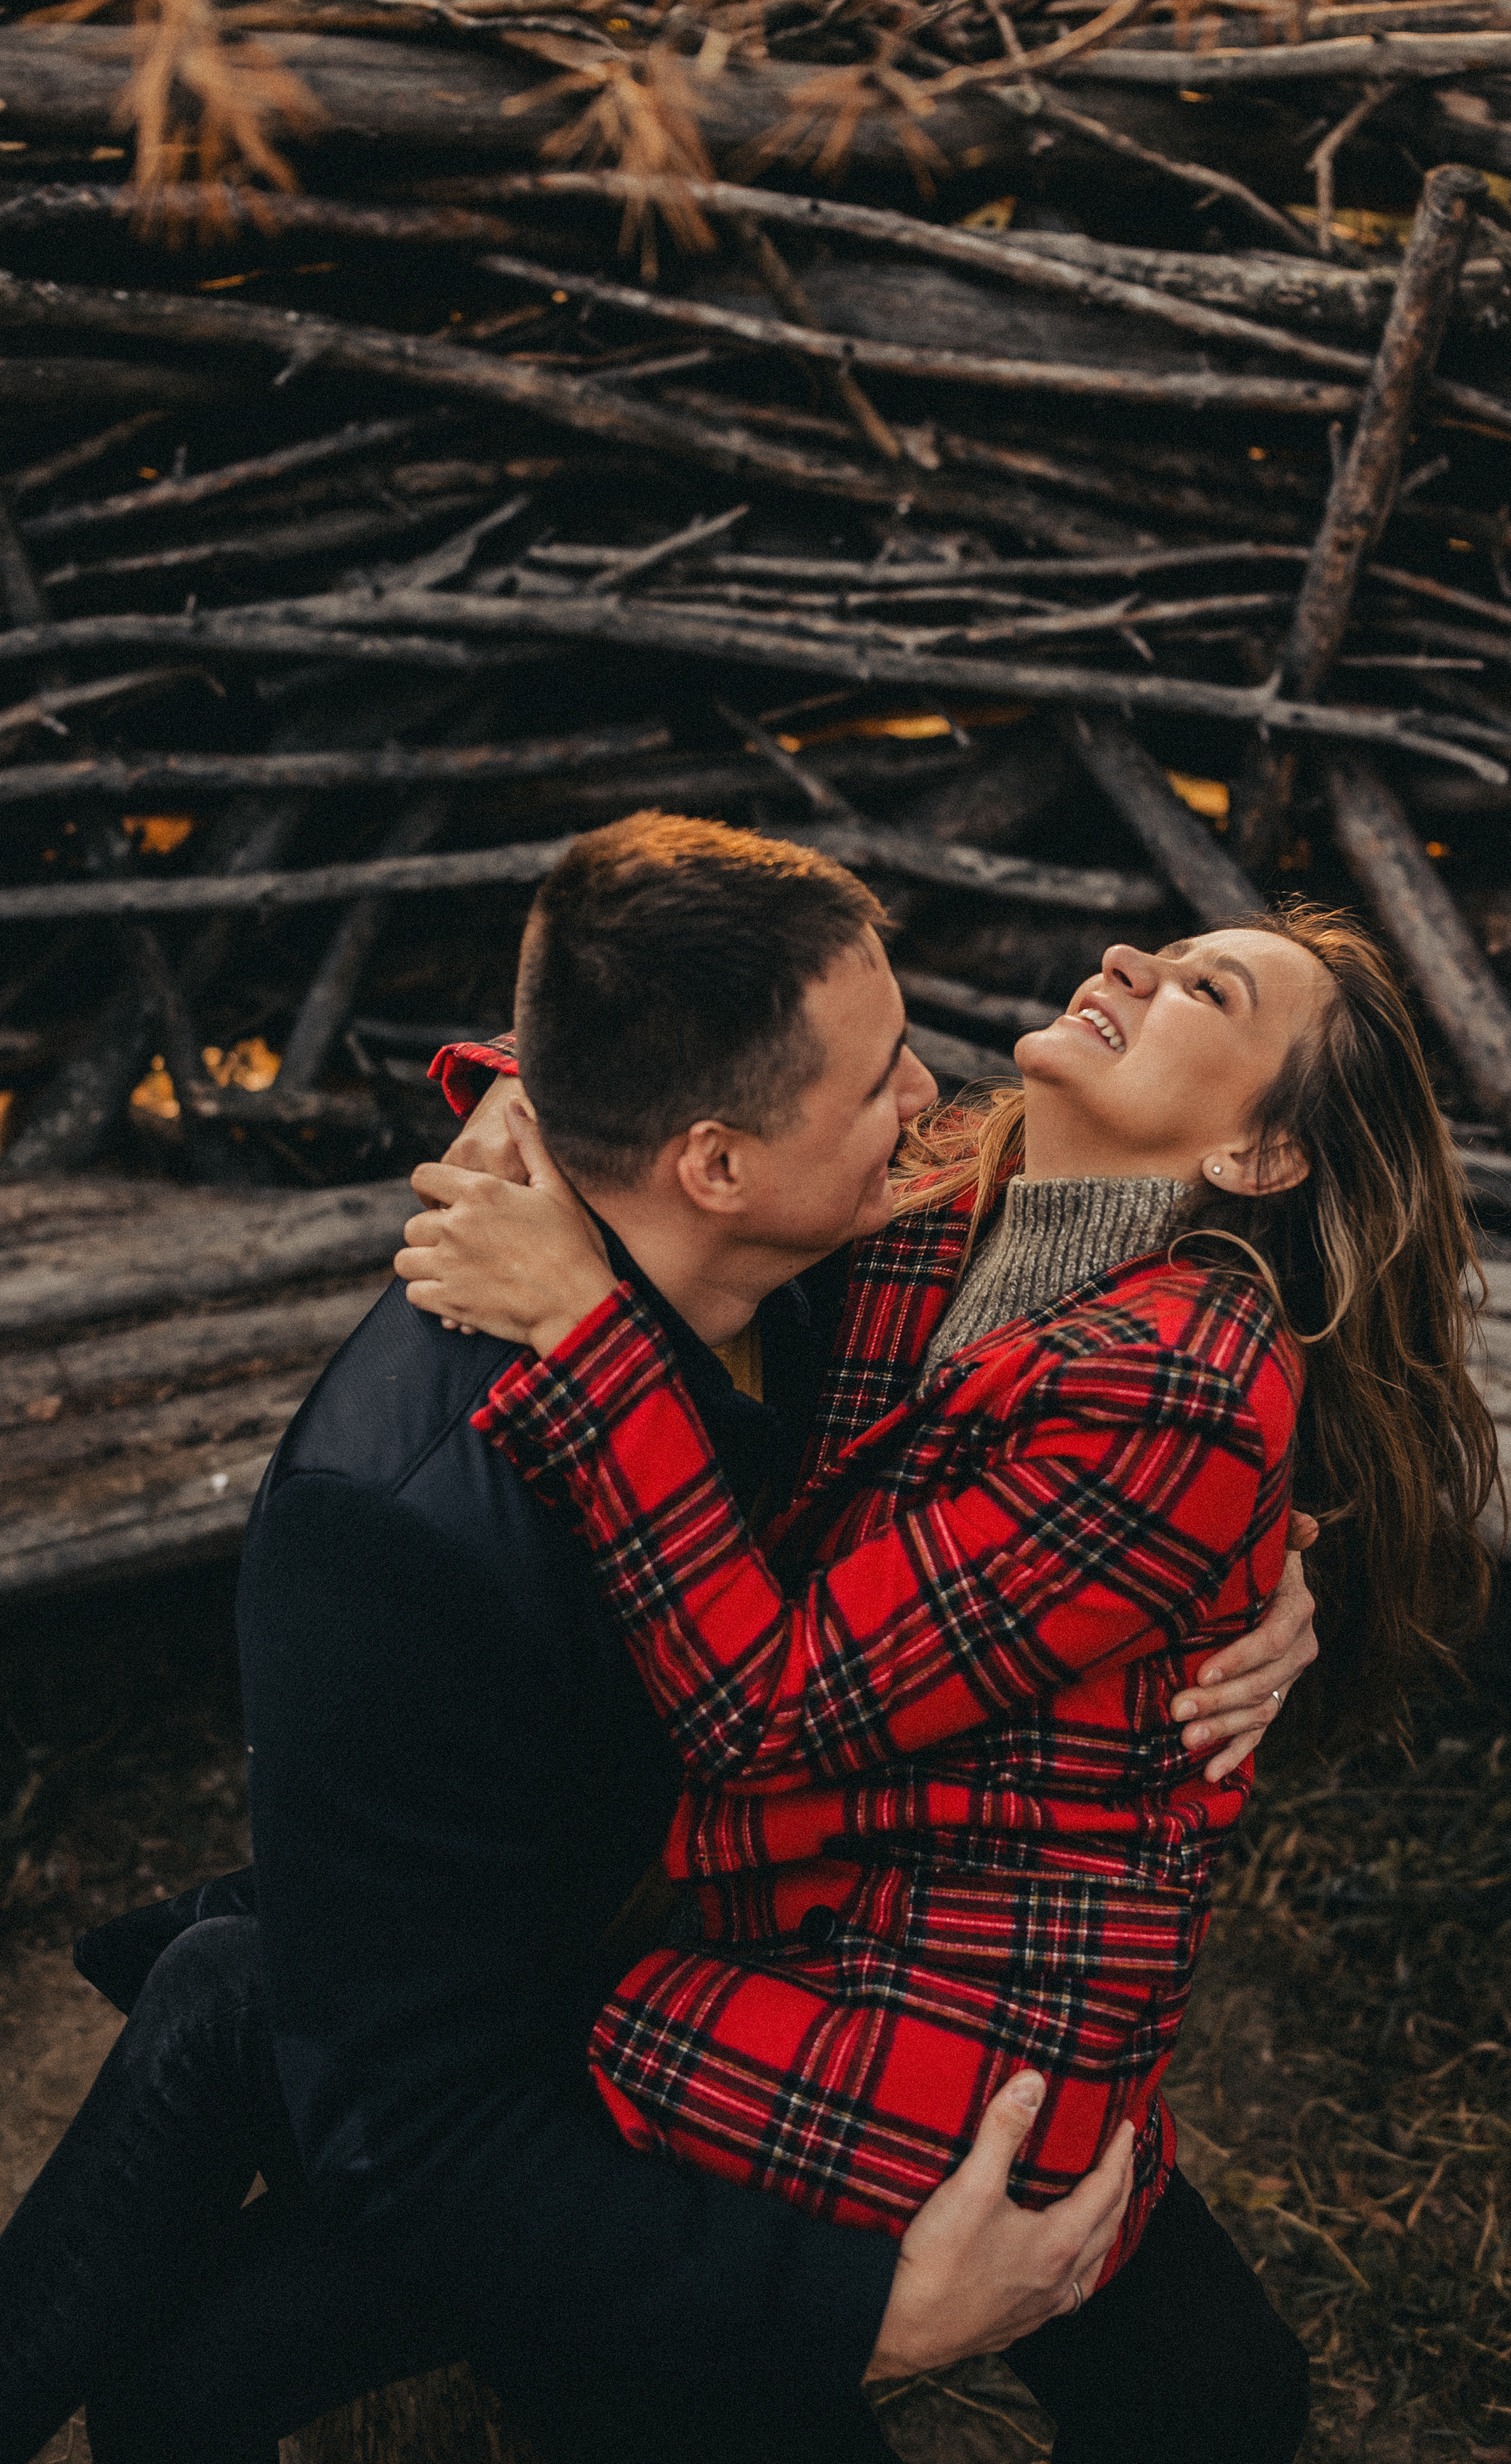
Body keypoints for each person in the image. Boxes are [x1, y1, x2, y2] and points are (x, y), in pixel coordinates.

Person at [0, 816, 1317, 2464]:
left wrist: (1268, 1575)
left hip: (830, 1938)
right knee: (257, 2227)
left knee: (1226, 2398)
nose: (932, 1098)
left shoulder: (847, 1253)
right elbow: (429, 2133)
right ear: (715, 1167)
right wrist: (865, 2318)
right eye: (882, 1081)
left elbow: (1151, 1418)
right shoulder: (394, 1524)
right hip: (590, 2027)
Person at [397, 822, 1500, 2454]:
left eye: (1204, 991)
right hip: (841, 1879)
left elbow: (767, 1711)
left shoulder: (1180, 1381)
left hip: (957, 2012)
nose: (1129, 962)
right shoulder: (962, 1198)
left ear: (1262, 1155)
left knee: (473, 2083)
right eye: (1161, 949)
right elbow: (720, 1112)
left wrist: (580, 1329)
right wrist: (528, 1097)